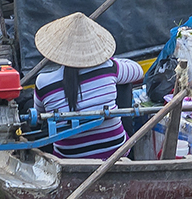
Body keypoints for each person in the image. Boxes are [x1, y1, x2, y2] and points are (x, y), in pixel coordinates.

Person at [28, 11, 140, 161]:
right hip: (115, 151)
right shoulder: (109, 68)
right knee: (123, 84)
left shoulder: (43, 82)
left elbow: (38, 118)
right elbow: (137, 71)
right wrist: (108, 60)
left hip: (68, 157)